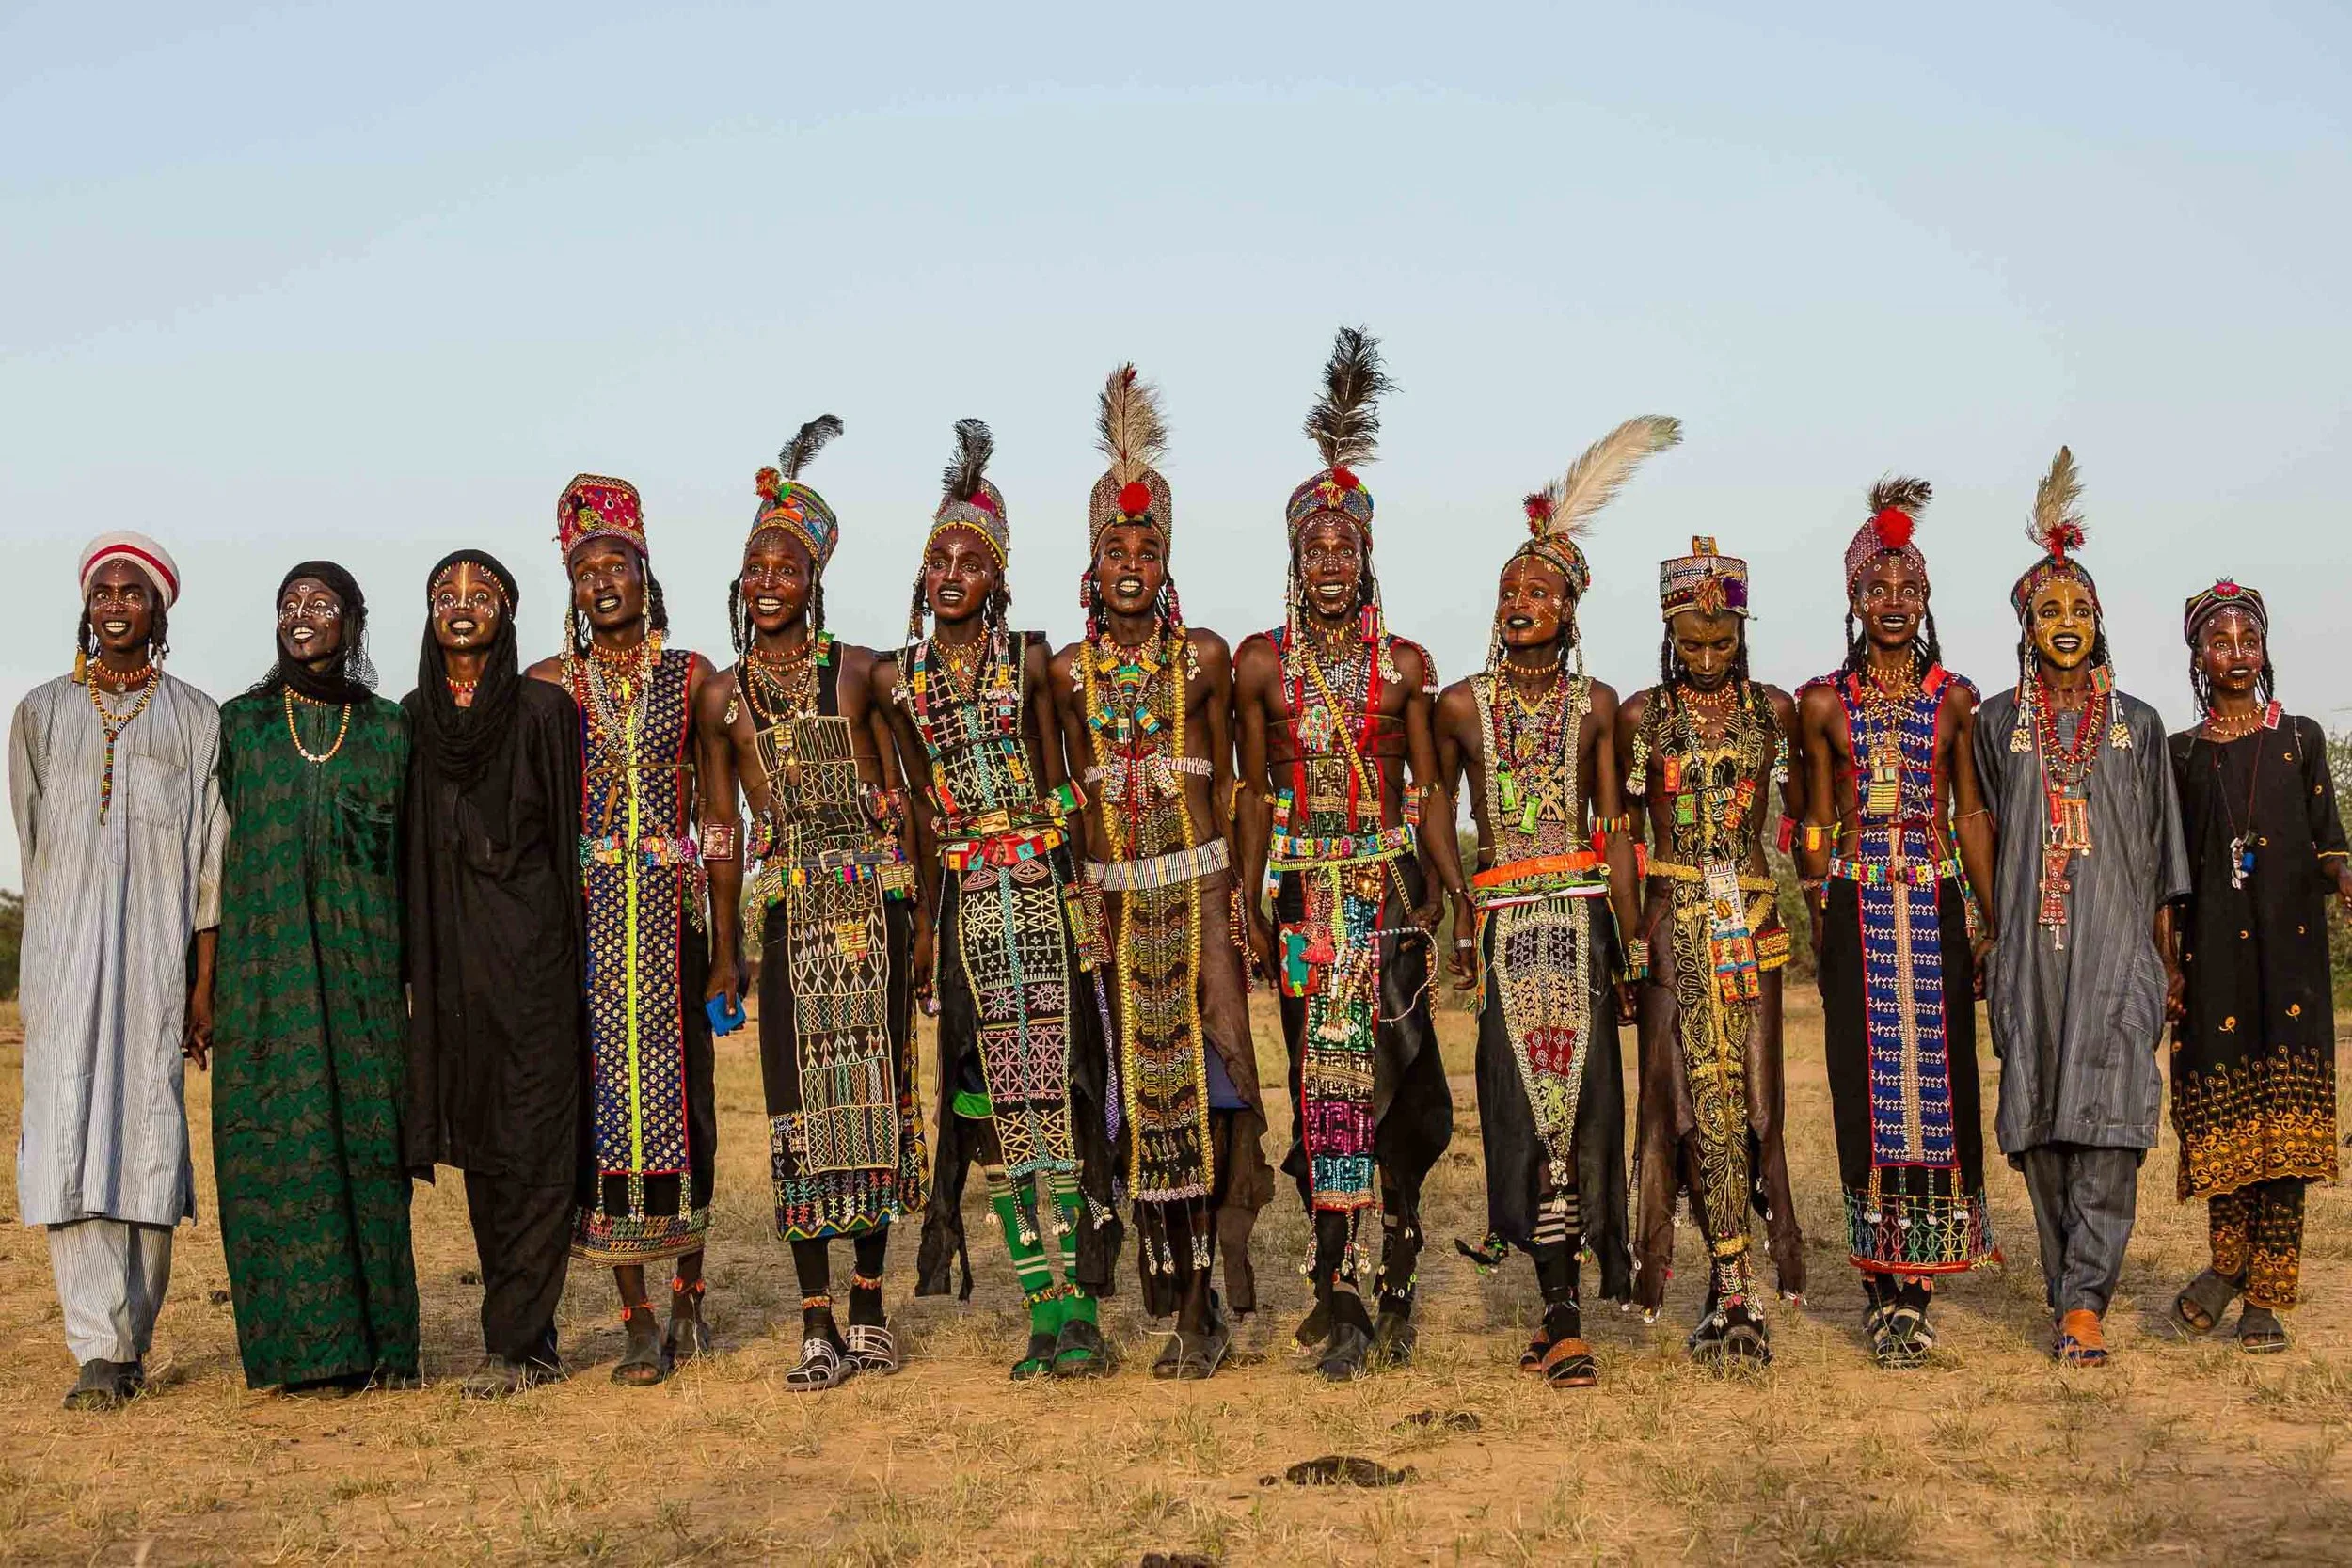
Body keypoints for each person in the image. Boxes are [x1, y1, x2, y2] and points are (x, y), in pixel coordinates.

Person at [1232, 326, 1458, 1380]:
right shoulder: (1260, 666)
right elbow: (1247, 788)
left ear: (1368, 554)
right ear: (1293, 558)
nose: (1329, 563)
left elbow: (1426, 793)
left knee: (1389, 1085)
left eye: (1344, 548)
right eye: (1312, 549)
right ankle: (1338, 1281)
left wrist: (1446, 899)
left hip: (1385, 894)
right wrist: (1243, 897)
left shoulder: (1406, 665)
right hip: (1299, 908)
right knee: (1320, 1088)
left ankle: (1392, 1267)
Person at [1431, 418, 1670, 1386]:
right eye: (1507, 591)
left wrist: (1625, 943)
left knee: (1583, 1111)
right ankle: (1553, 1299)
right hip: (1502, 921)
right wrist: (1457, 903)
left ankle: (1566, 1306)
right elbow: (1436, 815)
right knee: (1518, 1109)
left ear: (1572, 611)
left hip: (1575, 922)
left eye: (1539, 591)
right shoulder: (1457, 704)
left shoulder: (1596, 704)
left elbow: (1614, 826)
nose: (1518, 603)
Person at [1047, 367, 1274, 1380]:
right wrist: (1081, 892)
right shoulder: (1061, 673)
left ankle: (1205, 1298)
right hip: (1113, 909)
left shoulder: (1208, 659)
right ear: (1090, 565)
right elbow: (1065, 797)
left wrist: (1248, 902)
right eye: (1114, 549)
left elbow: (1237, 782)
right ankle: (1170, 1291)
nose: (1131, 563)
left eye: (1147, 548)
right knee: (1136, 1111)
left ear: (1168, 560)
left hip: (1201, 898)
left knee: (1217, 1094)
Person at [888, 420, 1123, 1380]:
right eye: (937, 557)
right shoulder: (897, 682)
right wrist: (922, 935)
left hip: (1041, 898)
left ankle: (1084, 1309)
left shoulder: (1031, 659)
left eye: (969, 561)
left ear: (998, 579)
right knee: (988, 1112)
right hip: (966, 915)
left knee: (1059, 1102)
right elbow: (914, 811)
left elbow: (1078, 772)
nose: (950, 572)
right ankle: (1039, 1305)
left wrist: (1073, 870)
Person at [704, 417, 928, 1392]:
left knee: (869, 1108)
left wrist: (921, 924)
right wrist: (725, 952)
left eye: (785, 563)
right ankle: (813, 1320)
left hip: (872, 911)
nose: (766, 578)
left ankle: (872, 1302)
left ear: (815, 579)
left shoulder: (866, 673)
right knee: (796, 1113)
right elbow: (722, 833)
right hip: (788, 915)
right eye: (754, 562)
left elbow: (921, 796)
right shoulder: (721, 698)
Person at [1974, 449, 2187, 1366]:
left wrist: (2164, 959)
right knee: (2039, 1124)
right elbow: (1982, 826)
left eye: (2078, 608)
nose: (2064, 621)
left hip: (2115, 955)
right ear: (2025, 624)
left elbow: (2161, 850)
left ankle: (2084, 1301)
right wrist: (1992, 930)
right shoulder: (1994, 722)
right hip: (2028, 952)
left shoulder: (2138, 725)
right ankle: (2068, 1290)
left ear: (2100, 621)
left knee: (2109, 1120)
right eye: (2046, 609)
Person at [526, 475, 740, 1385]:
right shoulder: (543, 685)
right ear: (571, 587)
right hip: (584, 925)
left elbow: (722, 813)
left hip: (672, 916)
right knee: (604, 1115)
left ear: (646, 575)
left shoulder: (694, 676)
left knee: (686, 1106)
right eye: (586, 569)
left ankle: (690, 1285)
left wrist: (730, 950)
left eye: (619, 564)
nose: (603, 581)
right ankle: (636, 1314)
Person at [12, 534, 226, 1411]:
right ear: (85, 604)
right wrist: (64, 932)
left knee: (145, 1129)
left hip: (155, 962)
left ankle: (133, 1333)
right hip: (62, 957)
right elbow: (35, 839)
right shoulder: (38, 711)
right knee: (68, 1128)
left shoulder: (198, 716)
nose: (115, 602)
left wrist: (200, 983)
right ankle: (97, 1345)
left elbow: (212, 859)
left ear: (159, 610)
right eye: (103, 587)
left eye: (133, 590)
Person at [1794, 482, 1999, 1369]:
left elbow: (1974, 815)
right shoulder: (1821, 701)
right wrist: (1819, 906)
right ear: (1852, 598)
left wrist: (1988, 917)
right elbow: (1804, 815)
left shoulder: (1956, 696)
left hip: (1936, 902)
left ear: (1925, 601)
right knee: (1864, 1088)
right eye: (1875, 590)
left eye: (1906, 590)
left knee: (1938, 1084)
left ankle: (1921, 1286)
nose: (1891, 604)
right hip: (1858, 902)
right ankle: (1879, 1281)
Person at [212, 562, 418, 1396]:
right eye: (288, 605)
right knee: (275, 1154)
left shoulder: (389, 729)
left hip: (366, 979)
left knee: (367, 1150)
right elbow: (206, 863)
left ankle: (382, 1350)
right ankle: (297, 1357)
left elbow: (410, 861)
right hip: (264, 980)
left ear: (354, 623)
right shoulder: (241, 725)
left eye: (321, 605)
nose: (303, 618)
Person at [1616, 534, 1804, 1365]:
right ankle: (1719, 1284)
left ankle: (1739, 1285)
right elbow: (1622, 834)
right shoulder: (1640, 716)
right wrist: (1631, 936)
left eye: (1720, 642)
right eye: (1689, 644)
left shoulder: (1773, 708)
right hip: (1670, 920)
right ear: (1667, 633)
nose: (1704, 657)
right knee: (1678, 1106)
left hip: (1752, 919)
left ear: (1742, 633)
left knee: (1754, 1103)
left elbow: (1800, 817)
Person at [403, 549, 585, 1398]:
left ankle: (519, 1341)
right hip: (453, 967)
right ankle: (522, 1334)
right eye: (447, 595)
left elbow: (567, 845)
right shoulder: (411, 720)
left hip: (536, 960)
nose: (462, 606)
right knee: (482, 1145)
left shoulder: (547, 711)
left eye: (482, 595)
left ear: (509, 613)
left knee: (538, 1142)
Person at [2166, 579, 2345, 1354]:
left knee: (2284, 1129)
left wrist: (2345, 878)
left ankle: (2266, 1293)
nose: (2236, 654)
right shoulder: (2179, 754)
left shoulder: (2300, 738)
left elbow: (2331, 842)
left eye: (2248, 640)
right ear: (2198, 656)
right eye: (2220, 642)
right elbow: (2167, 877)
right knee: (2227, 1123)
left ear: (2264, 648)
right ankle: (2226, 1264)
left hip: (2293, 966)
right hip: (2213, 969)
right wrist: (2166, 966)